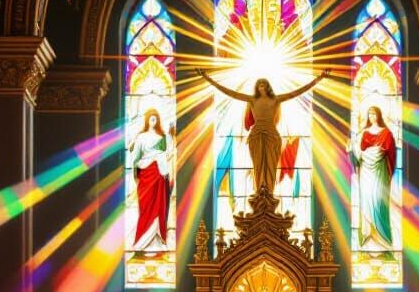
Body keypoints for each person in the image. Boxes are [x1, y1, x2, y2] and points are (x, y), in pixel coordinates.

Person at [198, 69, 329, 194]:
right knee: (258, 167)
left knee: (271, 167)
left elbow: (297, 92)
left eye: (264, 84)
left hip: (272, 136)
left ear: (268, 87)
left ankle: (269, 195)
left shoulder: (276, 99)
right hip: (257, 135)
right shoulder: (252, 99)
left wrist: (319, 78)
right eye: (259, 84)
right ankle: (260, 194)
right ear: (256, 87)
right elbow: (231, 93)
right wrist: (208, 79)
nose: (261, 86)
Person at [349, 105, 397, 248]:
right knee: (366, 201)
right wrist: (352, 149)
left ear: (379, 115)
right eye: (369, 114)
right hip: (366, 173)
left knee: (378, 201)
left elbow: (391, 156)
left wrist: (372, 153)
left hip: (379, 173)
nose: (371, 117)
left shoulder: (387, 134)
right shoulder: (363, 134)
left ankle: (383, 239)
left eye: (374, 114)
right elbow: (357, 154)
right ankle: (367, 234)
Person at [128, 108, 173, 252]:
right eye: (150, 119)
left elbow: (168, 150)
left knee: (160, 205)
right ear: (147, 120)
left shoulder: (163, 137)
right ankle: (142, 242)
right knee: (146, 207)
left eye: (155, 119)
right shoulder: (141, 137)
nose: (153, 121)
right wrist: (136, 172)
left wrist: (171, 134)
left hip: (159, 174)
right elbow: (135, 157)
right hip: (146, 175)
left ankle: (157, 242)